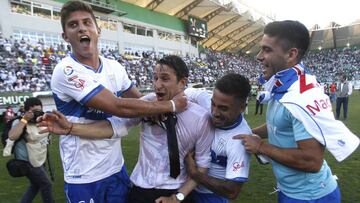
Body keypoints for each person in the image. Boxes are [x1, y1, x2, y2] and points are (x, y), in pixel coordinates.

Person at [52, 1, 186, 202]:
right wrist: (172, 105)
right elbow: (118, 106)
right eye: (73, 25)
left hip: (115, 168)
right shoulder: (66, 70)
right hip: (83, 174)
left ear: (98, 29)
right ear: (65, 37)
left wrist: (173, 103)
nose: (81, 28)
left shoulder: (114, 67)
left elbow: (139, 101)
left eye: (87, 22)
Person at [42, 55, 213, 203]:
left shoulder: (200, 118)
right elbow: (112, 127)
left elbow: (203, 167)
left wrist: (178, 197)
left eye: (165, 78)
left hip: (178, 191)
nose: (157, 85)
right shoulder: (148, 104)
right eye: (155, 78)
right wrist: (71, 128)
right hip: (140, 191)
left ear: (182, 82)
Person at [236, 20, 359, 203]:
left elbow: (312, 161)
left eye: (267, 50)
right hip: (292, 191)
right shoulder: (285, 86)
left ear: (291, 54)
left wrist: (260, 146)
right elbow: (277, 125)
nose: (259, 56)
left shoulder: (301, 97)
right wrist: (247, 133)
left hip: (311, 196)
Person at [184, 73, 252, 203]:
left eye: (223, 109)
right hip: (185, 187)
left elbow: (232, 191)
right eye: (213, 104)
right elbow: (187, 91)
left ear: (242, 107)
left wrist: (195, 174)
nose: (214, 112)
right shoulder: (207, 99)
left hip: (210, 197)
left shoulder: (240, 140)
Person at [8, 97, 54, 203]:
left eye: (39, 110)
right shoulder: (19, 121)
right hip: (27, 161)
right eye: (35, 111)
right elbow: (12, 136)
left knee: (35, 185)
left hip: (40, 157)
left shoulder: (41, 120)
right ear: (28, 111)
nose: (38, 113)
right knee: (46, 184)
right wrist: (25, 119)